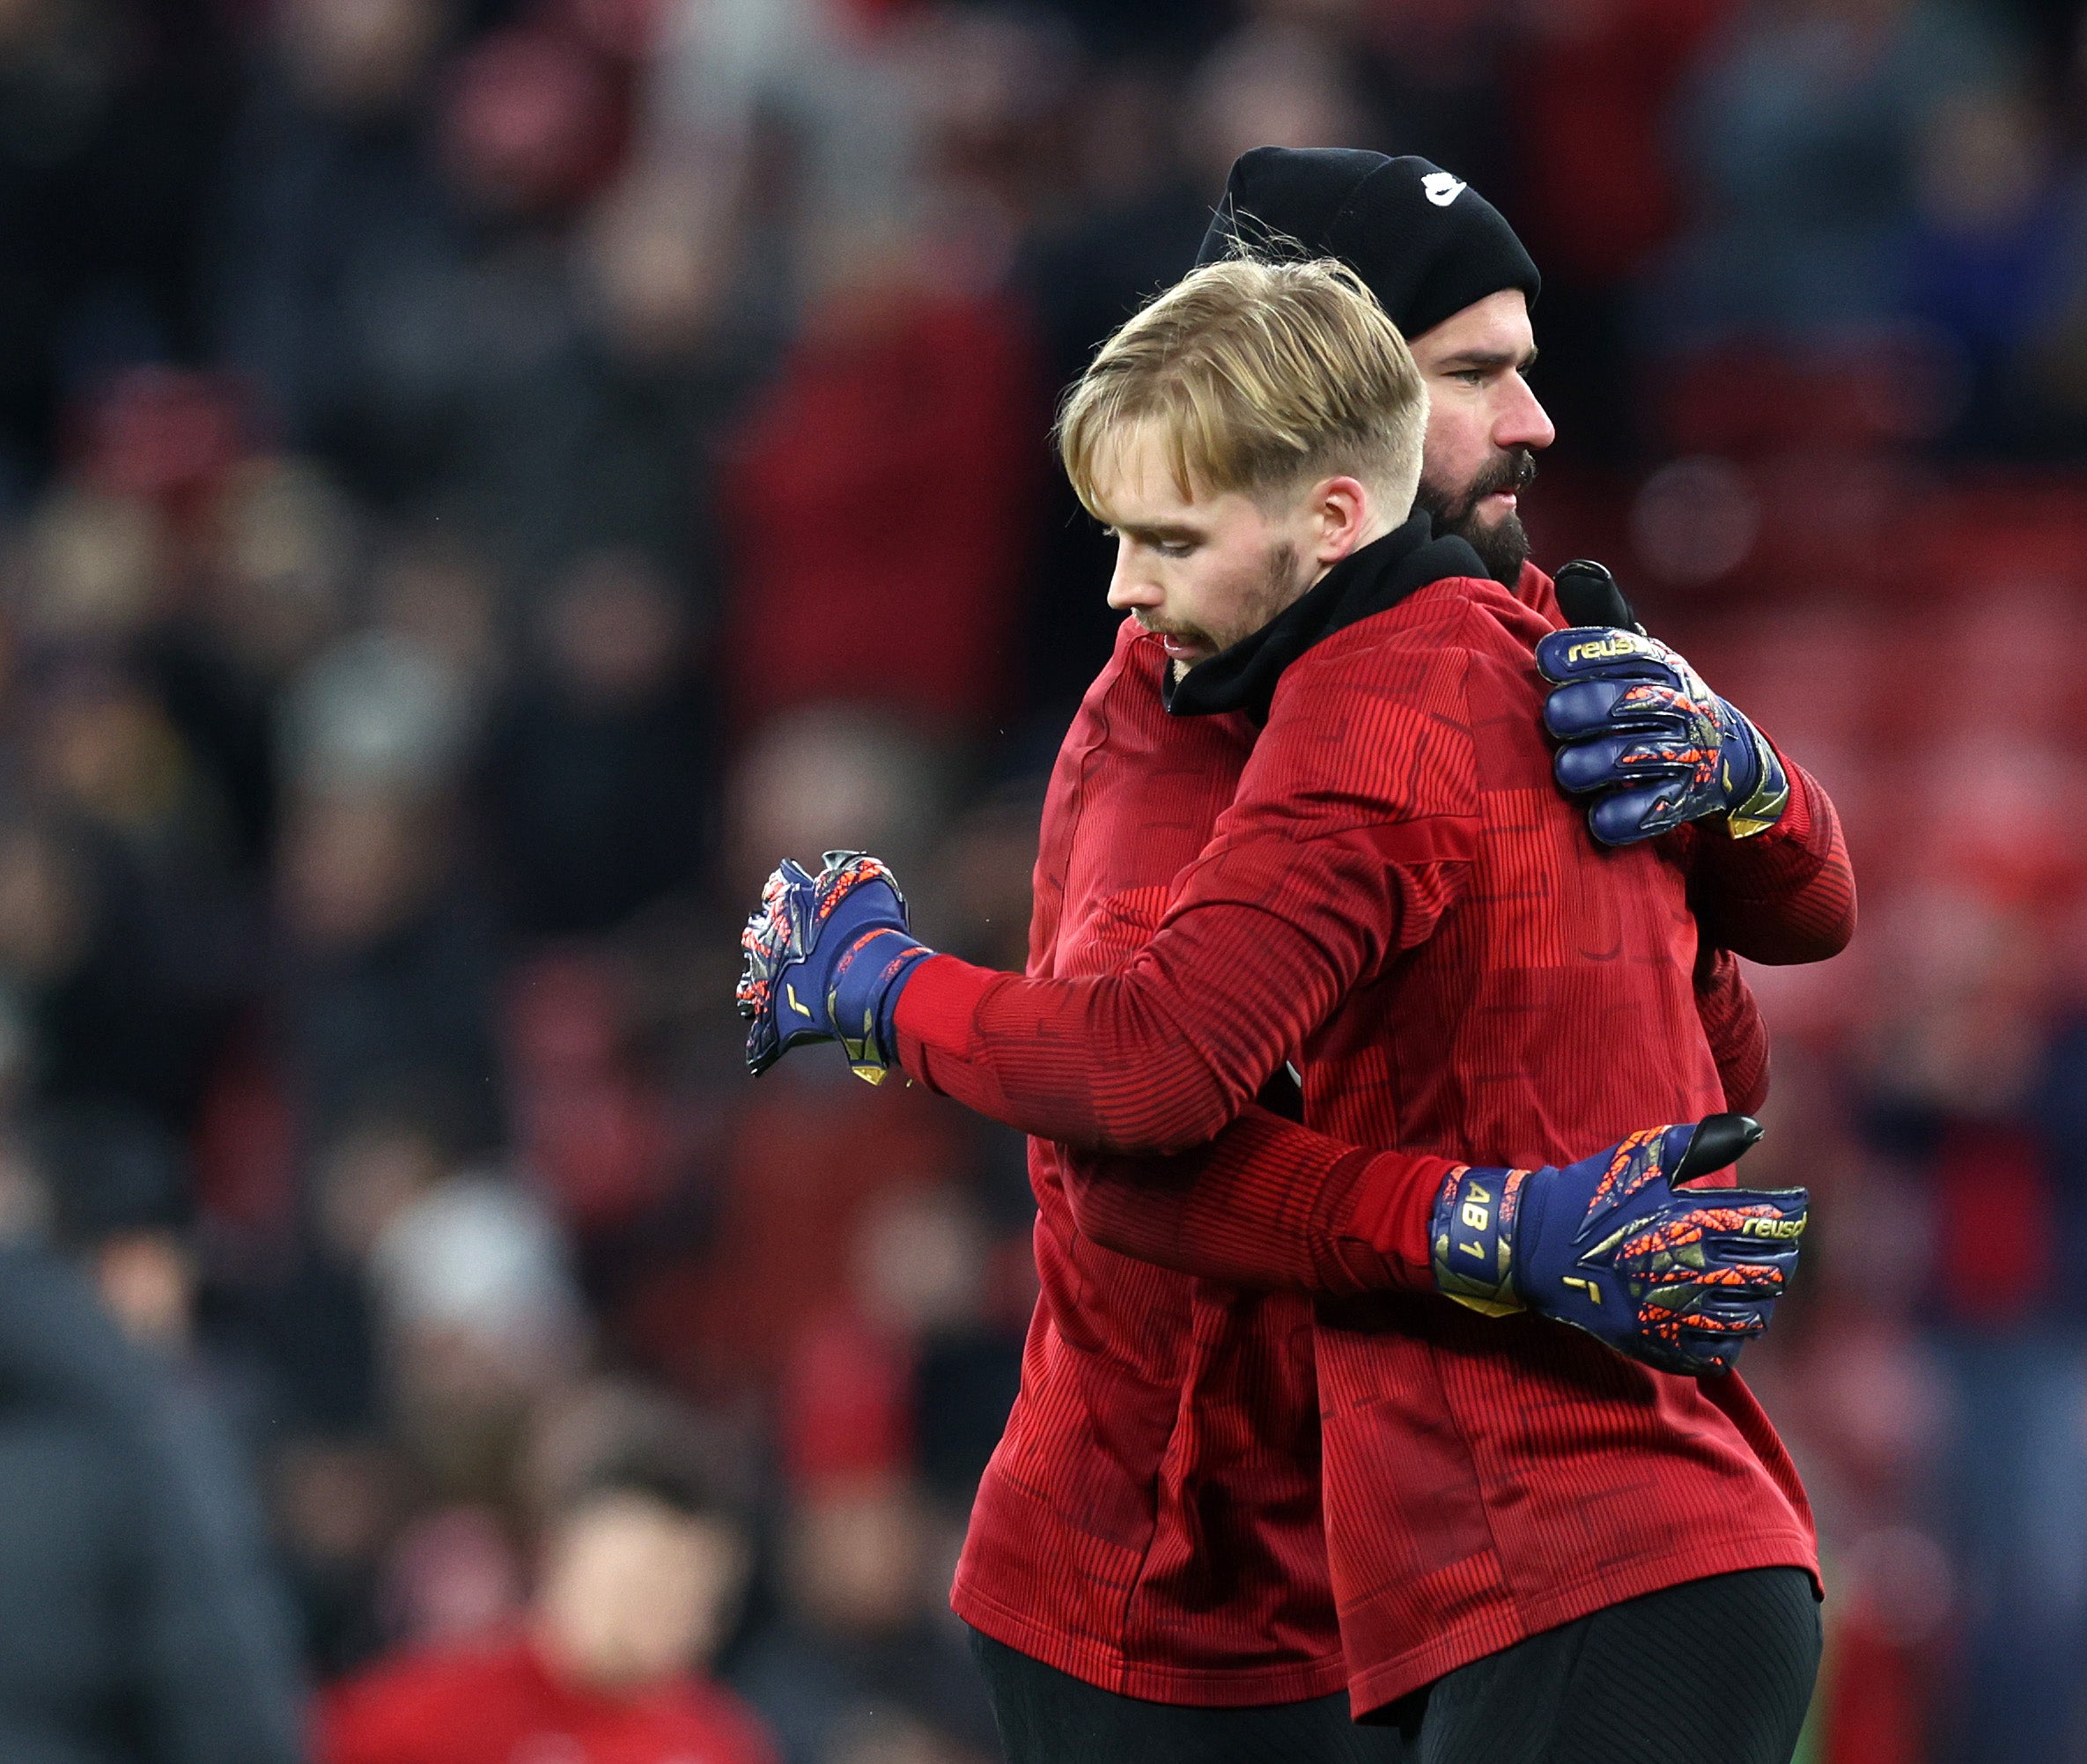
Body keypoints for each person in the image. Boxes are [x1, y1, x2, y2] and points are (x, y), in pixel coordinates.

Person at [740, 247, 1830, 1761]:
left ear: (1336, 503)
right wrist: (1760, 806)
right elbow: (1733, 1042)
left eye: (1163, 539)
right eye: (1464, 374)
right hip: (1494, 1570)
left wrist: (879, 989)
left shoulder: (1375, 700)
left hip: (1428, 1571)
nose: (1125, 591)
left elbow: (1140, 1100)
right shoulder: (1565, 667)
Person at [0, 1124, 309, 1764]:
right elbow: (231, 1715)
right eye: (137, 1260)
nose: (165, 1289)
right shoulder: (140, 1439)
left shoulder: (209, 1399)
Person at [315, 1449, 772, 1764]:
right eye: (632, 1583)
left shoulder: (721, 1742)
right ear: (560, 1559)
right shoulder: (414, 1718)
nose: (651, 1612)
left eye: (684, 1594)